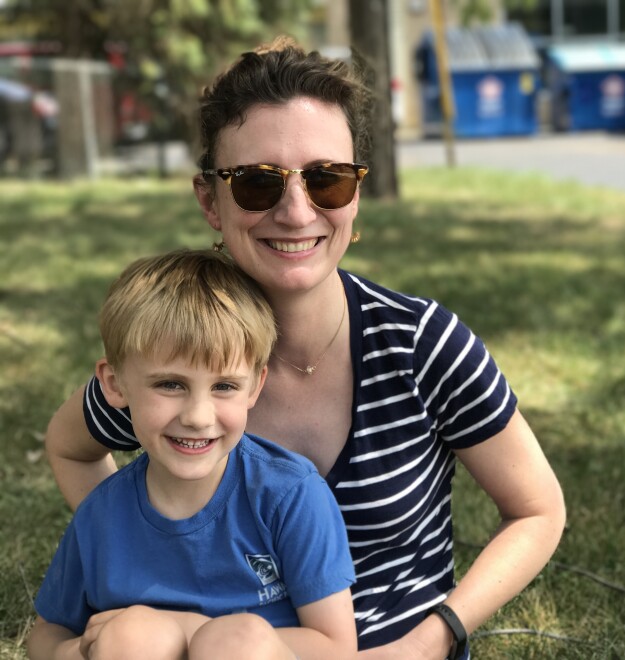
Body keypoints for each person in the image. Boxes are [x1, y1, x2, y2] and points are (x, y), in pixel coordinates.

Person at [44, 36, 566, 659]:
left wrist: (428, 641)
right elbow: (71, 448)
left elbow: (537, 511)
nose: (297, 211)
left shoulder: (423, 343)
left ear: (356, 194)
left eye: (328, 178)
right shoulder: (184, 354)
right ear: (211, 200)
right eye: (259, 183)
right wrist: (132, 559)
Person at [29, 250, 357, 660]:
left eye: (224, 387)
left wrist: (192, 631)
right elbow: (48, 633)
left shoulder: (290, 496)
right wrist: (84, 650)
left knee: (237, 643)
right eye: (170, 384)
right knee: (132, 636)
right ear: (115, 385)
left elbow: (336, 647)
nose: (198, 417)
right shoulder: (101, 513)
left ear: (255, 386)